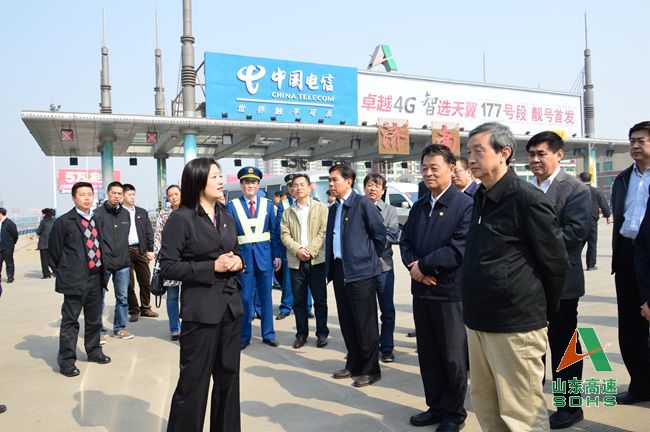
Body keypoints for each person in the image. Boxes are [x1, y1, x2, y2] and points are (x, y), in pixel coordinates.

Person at [462, 122, 567, 431]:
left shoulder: (526, 199)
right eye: (468, 152)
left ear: (504, 152)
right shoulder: (480, 196)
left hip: (514, 324)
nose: (470, 159)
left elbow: (555, 263)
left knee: (522, 414)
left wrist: (536, 311)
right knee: (486, 405)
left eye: (478, 151)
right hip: (478, 321)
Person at [161, 158, 244, 432]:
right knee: (193, 384)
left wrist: (238, 262)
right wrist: (211, 267)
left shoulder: (226, 216)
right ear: (198, 182)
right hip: (200, 312)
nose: (221, 181)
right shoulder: (181, 218)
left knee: (229, 380)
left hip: (231, 308)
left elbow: (236, 251)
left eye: (221, 176)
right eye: (214, 177)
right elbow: (168, 266)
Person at [400, 145, 472, 432]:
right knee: (428, 354)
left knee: (453, 357)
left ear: (451, 169)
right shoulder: (419, 206)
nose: (428, 173)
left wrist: (425, 266)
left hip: (449, 294)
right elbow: (405, 242)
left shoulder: (465, 205)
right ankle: (436, 406)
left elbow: (458, 248)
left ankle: (454, 413)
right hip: (422, 291)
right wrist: (415, 269)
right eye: (424, 168)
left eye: (434, 168)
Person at [527, 131, 592, 429]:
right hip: (528, 281)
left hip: (562, 282)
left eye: (541, 153)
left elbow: (575, 233)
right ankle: (531, 401)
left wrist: (530, 244)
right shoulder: (526, 188)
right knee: (532, 346)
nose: (535, 160)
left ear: (559, 155)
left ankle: (570, 405)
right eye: (531, 154)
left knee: (564, 346)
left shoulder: (575, 189)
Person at [326, 163, 386, 387]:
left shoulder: (362, 204)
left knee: (365, 323)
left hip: (361, 272)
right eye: (330, 180)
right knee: (347, 321)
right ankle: (354, 364)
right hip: (340, 269)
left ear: (349, 181)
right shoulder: (334, 208)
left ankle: (371, 369)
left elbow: (380, 235)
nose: (331, 184)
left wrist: (366, 258)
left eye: (335, 180)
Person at [49, 182, 111, 377]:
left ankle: (94, 351)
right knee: (70, 321)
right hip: (75, 279)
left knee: (94, 319)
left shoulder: (97, 218)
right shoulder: (65, 221)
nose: (86, 198)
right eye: (82, 194)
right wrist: (67, 271)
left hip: (96, 277)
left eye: (89, 194)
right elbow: (54, 252)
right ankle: (67, 360)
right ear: (74, 198)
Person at [611, 121, 650, 405]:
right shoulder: (623, 178)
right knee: (630, 326)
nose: (635, 145)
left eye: (641, 140)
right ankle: (640, 385)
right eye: (632, 140)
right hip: (627, 253)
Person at [226, 166, 282, 350]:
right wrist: (235, 258)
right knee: (245, 299)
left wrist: (277, 255)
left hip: (265, 258)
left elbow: (275, 233)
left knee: (266, 299)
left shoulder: (268, 205)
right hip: (244, 260)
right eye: (246, 182)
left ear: (258, 185)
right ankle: (244, 336)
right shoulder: (232, 206)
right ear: (241, 185)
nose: (250, 186)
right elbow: (230, 236)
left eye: (253, 182)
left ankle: (268, 334)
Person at [280, 173, 329, 349]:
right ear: (292, 189)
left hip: (317, 261)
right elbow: (284, 235)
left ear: (309, 187)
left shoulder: (321, 208)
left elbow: (323, 232)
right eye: (295, 185)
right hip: (296, 262)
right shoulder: (288, 212)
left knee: (320, 300)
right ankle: (301, 334)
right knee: (299, 301)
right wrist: (298, 250)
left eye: (302, 184)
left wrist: (310, 250)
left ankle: (322, 333)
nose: (299, 188)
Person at [363, 173, 399, 363]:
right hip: (363, 269)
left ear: (383, 190)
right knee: (366, 312)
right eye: (370, 185)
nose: (373, 189)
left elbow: (392, 235)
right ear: (364, 188)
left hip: (384, 267)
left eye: (377, 186)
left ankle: (386, 348)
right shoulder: (357, 209)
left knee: (387, 310)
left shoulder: (390, 211)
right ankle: (369, 348)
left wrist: (367, 240)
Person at [94, 181, 134, 340]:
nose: (116, 196)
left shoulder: (125, 214)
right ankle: (98, 331)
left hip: (123, 263)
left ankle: (120, 328)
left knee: (122, 298)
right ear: (108, 193)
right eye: (114, 193)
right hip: (104, 263)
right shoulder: (97, 214)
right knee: (99, 299)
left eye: (119, 193)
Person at [122, 184, 158, 322]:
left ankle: (146, 307)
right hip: (125, 251)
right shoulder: (118, 212)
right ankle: (133, 309)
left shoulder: (142, 212)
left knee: (145, 281)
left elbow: (149, 231)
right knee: (128, 283)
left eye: (134, 194)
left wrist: (150, 250)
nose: (132, 197)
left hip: (141, 249)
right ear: (123, 196)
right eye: (129, 195)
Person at [154, 185, 182, 340]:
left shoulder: (190, 210)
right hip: (170, 259)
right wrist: (159, 254)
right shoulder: (164, 213)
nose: (174, 197)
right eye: (171, 195)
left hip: (189, 260)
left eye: (176, 194)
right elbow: (158, 234)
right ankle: (175, 328)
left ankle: (189, 326)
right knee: (172, 296)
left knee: (189, 296)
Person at [578, 172, 612, 270]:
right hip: (592, 220)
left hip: (579, 220)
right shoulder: (596, 191)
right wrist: (608, 215)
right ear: (590, 179)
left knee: (578, 244)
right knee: (592, 244)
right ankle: (591, 265)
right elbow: (603, 203)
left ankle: (573, 263)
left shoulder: (576, 190)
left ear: (580, 179)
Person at [276, 174, 295, 320]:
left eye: (295, 184)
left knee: (306, 279)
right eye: (290, 185)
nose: (293, 188)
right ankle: (286, 307)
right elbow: (280, 227)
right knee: (288, 280)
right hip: (288, 248)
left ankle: (307, 306)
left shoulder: (311, 203)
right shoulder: (283, 205)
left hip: (306, 247)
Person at [36, 208, 56, 278]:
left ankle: (46, 274)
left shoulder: (43, 222)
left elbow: (38, 231)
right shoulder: (55, 222)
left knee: (44, 260)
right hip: (52, 243)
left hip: (44, 244)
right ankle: (56, 271)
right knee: (50, 258)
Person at [0, 208, 18, 283]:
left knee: (9, 262)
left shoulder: (9, 223)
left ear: (1, 213)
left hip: (8, 247)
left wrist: (11, 244)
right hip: (0, 246)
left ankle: (10, 278)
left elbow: (15, 235)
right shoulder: (1, 223)